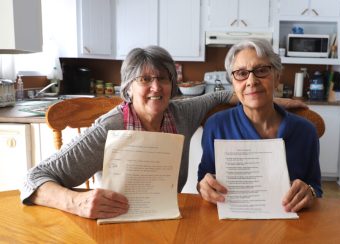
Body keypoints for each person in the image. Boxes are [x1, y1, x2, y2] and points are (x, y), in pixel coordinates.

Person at [20, 45, 306, 219]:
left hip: (168, 221)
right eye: (144, 79)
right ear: (128, 88)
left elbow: (221, 96)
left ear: (173, 84)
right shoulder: (109, 128)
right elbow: (33, 179)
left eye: (163, 78)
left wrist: (265, 98)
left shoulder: (181, 113)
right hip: (114, 227)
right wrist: (77, 201)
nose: (156, 87)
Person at [197, 39, 322, 213]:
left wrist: (310, 192)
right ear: (232, 82)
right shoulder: (216, 126)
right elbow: (203, 178)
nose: (251, 81)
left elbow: (316, 186)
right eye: (241, 73)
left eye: (261, 70)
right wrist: (203, 187)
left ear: (277, 76)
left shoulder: (306, 131)